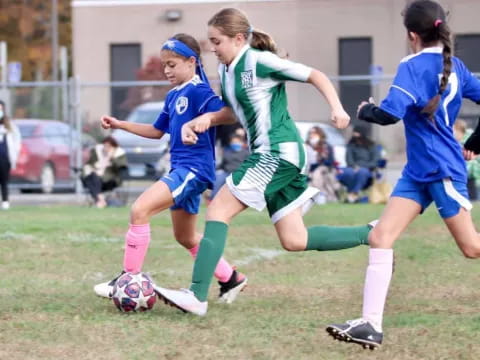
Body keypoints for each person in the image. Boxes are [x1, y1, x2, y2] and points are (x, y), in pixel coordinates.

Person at [153, 8, 374, 317]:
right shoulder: (228, 71)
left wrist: (337, 108)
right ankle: (370, 233)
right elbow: (232, 112)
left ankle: (196, 295)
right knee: (295, 239)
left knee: (218, 209)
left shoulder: (258, 61)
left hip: (277, 154)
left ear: (239, 38)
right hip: (275, 155)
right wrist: (205, 119)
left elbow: (315, 75)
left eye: (217, 41)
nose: (212, 48)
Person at [326, 0, 480, 349]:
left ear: (412, 35)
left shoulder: (412, 65)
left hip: (441, 171)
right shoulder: (455, 65)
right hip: (417, 172)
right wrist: (477, 139)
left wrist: (365, 109)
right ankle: (370, 325)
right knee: (381, 237)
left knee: (472, 247)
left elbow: (389, 114)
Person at [93, 33, 248, 304]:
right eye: (164, 65)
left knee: (139, 210)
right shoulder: (174, 95)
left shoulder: (199, 91)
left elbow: (228, 114)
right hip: (182, 168)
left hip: (193, 169)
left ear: (191, 62)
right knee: (185, 236)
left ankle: (128, 278)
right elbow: (156, 131)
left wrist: (204, 120)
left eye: (172, 64)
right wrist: (120, 124)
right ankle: (231, 278)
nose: (166, 70)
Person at [82, 136, 128, 208]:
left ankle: (99, 200)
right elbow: (90, 163)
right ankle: (101, 200)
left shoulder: (118, 153)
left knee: (91, 179)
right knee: (90, 178)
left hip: (110, 180)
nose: (106, 148)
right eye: (105, 146)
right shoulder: (98, 152)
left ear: (113, 147)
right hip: (96, 178)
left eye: (108, 146)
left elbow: (120, 167)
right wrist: (94, 168)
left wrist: (111, 157)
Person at [337, 126, 379, 203]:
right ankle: (352, 195)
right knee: (347, 172)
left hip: (367, 169)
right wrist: (354, 166)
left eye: (356, 133)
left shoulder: (372, 146)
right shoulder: (351, 145)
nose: (354, 135)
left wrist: (362, 167)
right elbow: (349, 159)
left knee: (362, 172)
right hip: (352, 167)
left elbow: (375, 161)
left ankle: (353, 193)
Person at [209, 133, 249, 200]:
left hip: (240, 173)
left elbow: (248, 165)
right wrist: (214, 170)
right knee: (217, 179)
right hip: (227, 173)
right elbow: (222, 164)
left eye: (237, 142)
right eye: (233, 142)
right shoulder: (227, 152)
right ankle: (213, 199)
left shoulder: (246, 153)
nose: (235, 144)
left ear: (241, 142)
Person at [306, 126, 340, 203]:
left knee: (317, 175)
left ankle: (321, 197)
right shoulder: (306, 145)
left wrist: (319, 161)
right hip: (308, 168)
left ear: (320, 134)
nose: (312, 135)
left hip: (324, 168)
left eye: (314, 133)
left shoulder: (326, 146)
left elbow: (330, 161)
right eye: (310, 133)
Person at [0, 100, 21, 210]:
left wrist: (15, 154)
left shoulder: (9, 125)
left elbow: (17, 140)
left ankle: (5, 202)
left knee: (4, 180)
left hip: (4, 158)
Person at [454, 119, 480, 200]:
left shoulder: (470, 142)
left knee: (474, 194)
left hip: (473, 174)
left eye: (453, 131)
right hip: (463, 175)